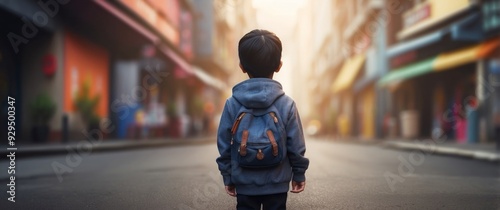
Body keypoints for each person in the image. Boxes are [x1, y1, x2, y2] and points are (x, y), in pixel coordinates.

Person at [216, 29, 309, 210]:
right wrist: (299, 174)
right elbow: (296, 146)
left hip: (244, 180)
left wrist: (228, 176)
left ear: (241, 66)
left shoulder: (232, 104)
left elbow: (224, 145)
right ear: (279, 65)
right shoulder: (287, 104)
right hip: (277, 182)